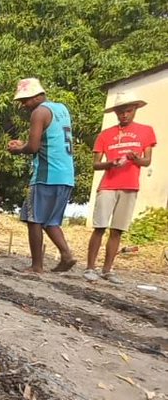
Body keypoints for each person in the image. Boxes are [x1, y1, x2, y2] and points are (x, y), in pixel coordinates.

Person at [84, 92, 156, 285]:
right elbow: (95, 164)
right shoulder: (106, 134)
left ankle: (107, 269)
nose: (124, 115)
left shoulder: (146, 131)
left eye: (128, 111)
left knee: (117, 230)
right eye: (120, 112)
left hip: (130, 185)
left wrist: (135, 158)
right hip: (108, 184)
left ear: (135, 110)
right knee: (99, 226)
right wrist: (110, 163)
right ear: (115, 113)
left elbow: (147, 160)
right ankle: (90, 267)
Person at [8, 78, 76, 275]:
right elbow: (50, 139)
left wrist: (18, 149)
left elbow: (34, 147)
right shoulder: (61, 109)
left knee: (34, 219)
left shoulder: (39, 112)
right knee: (51, 220)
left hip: (47, 174)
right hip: (66, 174)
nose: (24, 105)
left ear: (38, 96)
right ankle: (67, 255)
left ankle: (36, 266)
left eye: (26, 100)